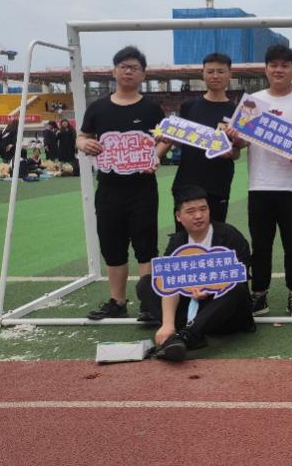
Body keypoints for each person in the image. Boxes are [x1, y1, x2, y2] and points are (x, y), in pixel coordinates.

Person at [235, 45, 292, 318]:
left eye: (285, 65)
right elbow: (241, 141)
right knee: (261, 245)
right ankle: (259, 295)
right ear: (266, 69)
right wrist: (235, 136)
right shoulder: (253, 102)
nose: (278, 70)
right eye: (273, 65)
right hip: (259, 185)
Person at [77, 46, 165, 321]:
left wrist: (157, 155)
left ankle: (149, 303)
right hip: (109, 188)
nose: (128, 71)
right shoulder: (98, 108)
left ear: (143, 74)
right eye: (124, 66)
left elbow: (164, 139)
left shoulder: (151, 109)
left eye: (134, 68)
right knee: (112, 245)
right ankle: (117, 301)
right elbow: (82, 136)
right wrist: (84, 144)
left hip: (142, 188)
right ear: (114, 71)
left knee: (146, 246)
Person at [137, 185, 255, 361]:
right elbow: (169, 284)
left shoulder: (229, 235)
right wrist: (167, 324)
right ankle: (179, 331)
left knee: (236, 287)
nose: (199, 216)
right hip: (190, 306)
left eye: (203, 209)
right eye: (191, 211)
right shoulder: (177, 242)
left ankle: (187, 336)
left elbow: (241, 272)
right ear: (178, 216)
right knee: (146, 283)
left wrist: (211, 287)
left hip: (224, 313)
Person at [167, 52, 241, 228]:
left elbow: (236, 153)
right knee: (183, 237)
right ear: (203, 74)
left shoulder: (237, 112)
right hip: (186, 184)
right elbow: (177, 138)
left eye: (221, 71)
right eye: (210, 71)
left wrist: (232, 150)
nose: (215, 76)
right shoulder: (188, 107)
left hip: (218, 185)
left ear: (230, 74)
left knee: (215, 236)